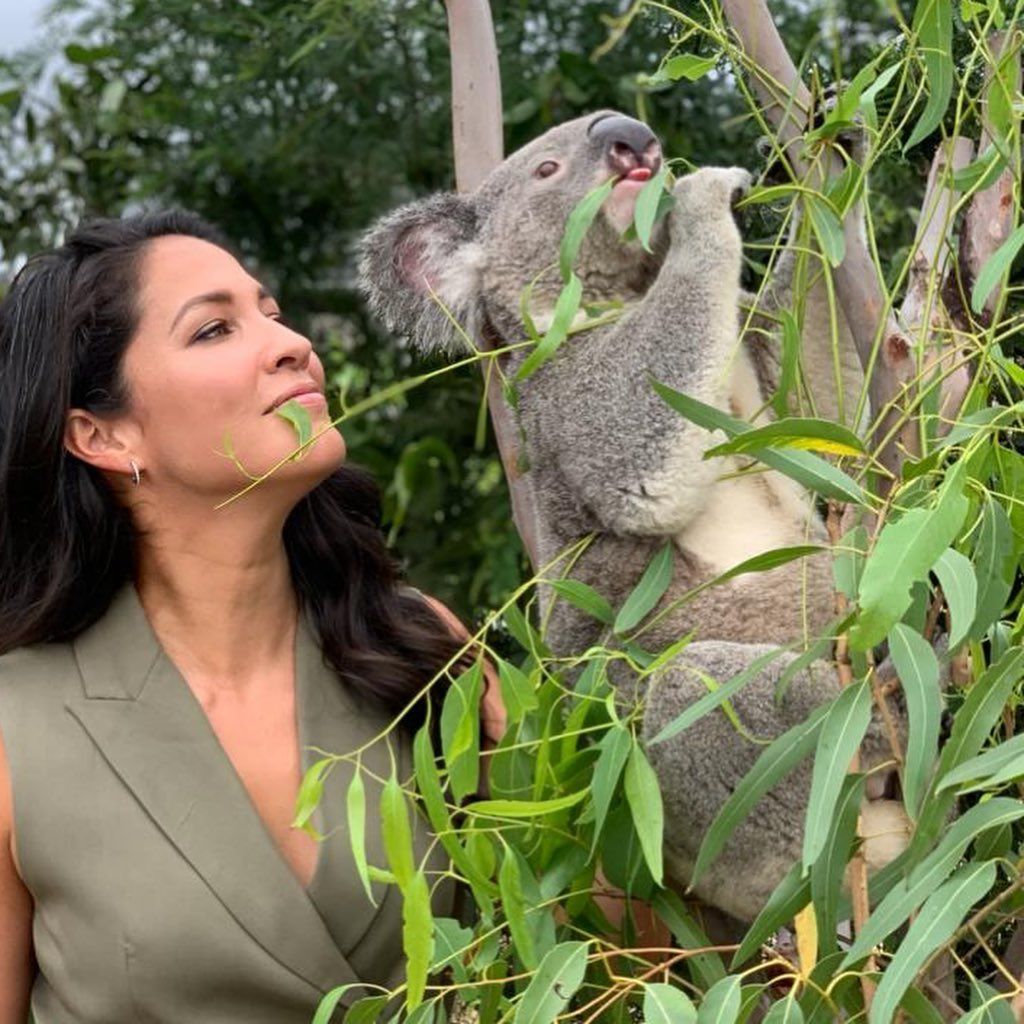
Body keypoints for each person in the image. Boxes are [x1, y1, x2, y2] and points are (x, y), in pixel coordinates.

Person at [0, 210, 506, 1023]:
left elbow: (607, 943)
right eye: (213, 330)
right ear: (101, 435)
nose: (292, 344)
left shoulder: (410, 644)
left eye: (272, 312)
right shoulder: (16, 726)